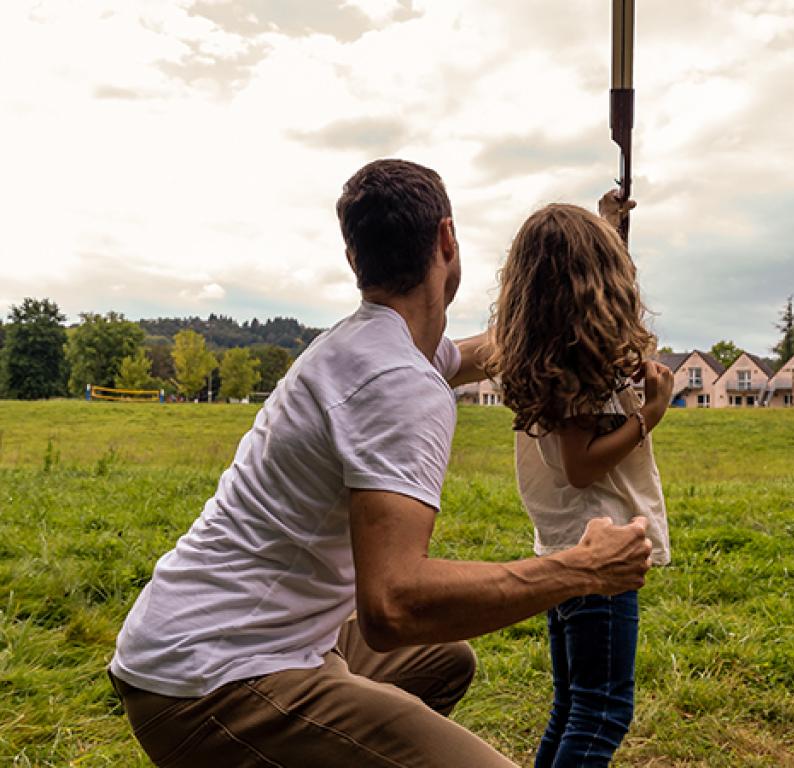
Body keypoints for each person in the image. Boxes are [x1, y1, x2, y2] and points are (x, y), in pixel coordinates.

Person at [108, 159, 653, 768]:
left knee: (444, 661)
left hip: (208, 634)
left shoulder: (369, 343)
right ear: (447, 239)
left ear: (354, 259)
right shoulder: (397, 381)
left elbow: (489, 350)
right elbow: (395, 606)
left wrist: (580, 265)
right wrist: (582, 569)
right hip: (207, 681)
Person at [486, 202, 675, 767]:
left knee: (573, 706)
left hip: (567, 543)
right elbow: (582, 465)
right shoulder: (580, 357)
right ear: (598, 279)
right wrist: (650, 414)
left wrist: (611, 227)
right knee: (600, 714)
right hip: (602, 550)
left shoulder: (553, 346)